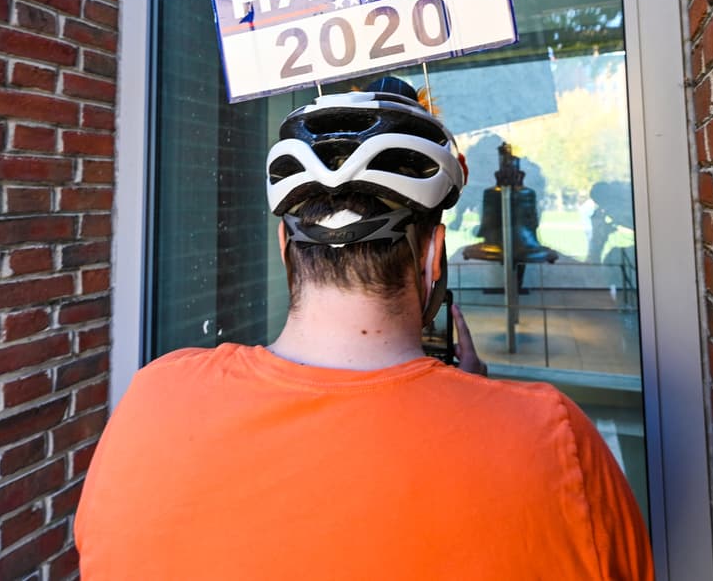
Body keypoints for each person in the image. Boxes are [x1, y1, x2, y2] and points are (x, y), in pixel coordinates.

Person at [75, 78, 653, 579]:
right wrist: (485, 401)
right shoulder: (553, 440)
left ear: (285, 249)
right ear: (432, 257)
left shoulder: (155, 398)